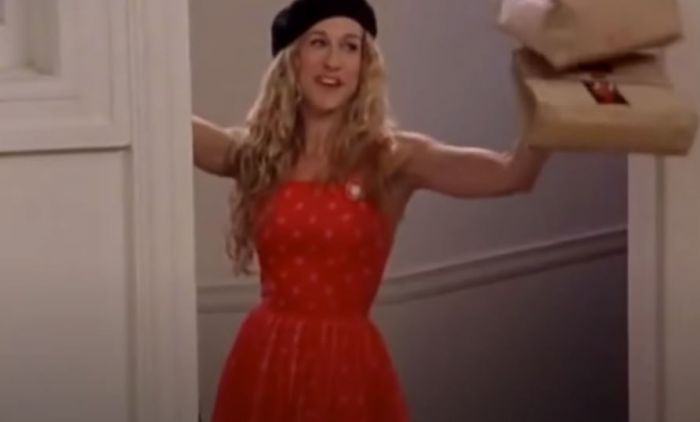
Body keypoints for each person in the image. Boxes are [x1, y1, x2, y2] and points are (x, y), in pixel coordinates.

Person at [192, 0, 550, 420]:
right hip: (265, 358)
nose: (334, 61)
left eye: (350, 47)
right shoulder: (258, 153)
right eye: (319, 43)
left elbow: (513, 174)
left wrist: (552, 92)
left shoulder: (391, 157)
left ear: (364, 65)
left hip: (347, 367)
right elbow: (163, 124)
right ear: (292, 59)